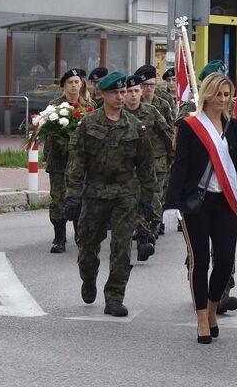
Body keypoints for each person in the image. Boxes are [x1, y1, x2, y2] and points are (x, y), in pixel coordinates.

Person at [163, 73, 237, 344]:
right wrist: (171, 204)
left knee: (225, 260)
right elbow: (180, 166)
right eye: (218, 94)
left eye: (227, 95)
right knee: (199, 261)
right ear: (207, 95)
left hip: (225, 202)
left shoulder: (233, 127)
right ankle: (202, 317)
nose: (223, 100)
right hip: (197, 203)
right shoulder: (190, 126)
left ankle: (213, 307)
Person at [64, 72, 155, 317]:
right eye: (115, 92)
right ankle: (88, 277)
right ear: (102, 94)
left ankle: (114, 297)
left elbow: (145, 164)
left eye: (123, 92)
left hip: (125, 194)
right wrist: (73, 195)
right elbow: (77, 162)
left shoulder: (136, 126)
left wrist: (147, 197)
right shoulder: (88, 124)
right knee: (87, 247)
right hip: (94, 193)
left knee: (122, 248)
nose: (120, 96)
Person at [123, 75, 173, 261]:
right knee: (131, 202)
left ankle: (146, 235)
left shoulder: (151, 112)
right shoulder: (117, 113)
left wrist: (174, 158)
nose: (133, 95)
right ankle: (143, 236)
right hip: (125, 167)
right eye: (129, 91)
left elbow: (168, 135)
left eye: (136, 91)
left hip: (151, 165)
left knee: (150, 199)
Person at [45, 68, 94, 253]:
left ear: (81, 84)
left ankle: (80, 235)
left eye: (76, 82)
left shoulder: (89, 106)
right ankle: (59, 237)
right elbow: (47, 135)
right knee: (58, 199)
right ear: (64, 86)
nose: (73, 86)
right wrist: (46, 158)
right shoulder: (54, 106)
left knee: (80, 198)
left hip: (81, 162)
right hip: (59, 160)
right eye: (70, 83)